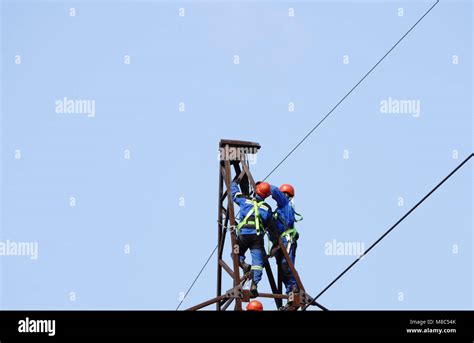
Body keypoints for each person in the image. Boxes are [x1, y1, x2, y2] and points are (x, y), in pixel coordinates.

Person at [232, 180, 273, 297]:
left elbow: (234, 194)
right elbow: (270, 225)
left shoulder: (245, 200)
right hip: (257, 237)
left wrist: (234, 183)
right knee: (258, 263)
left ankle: (243, 264)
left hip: (244, 235)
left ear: (256, 190)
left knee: (235, 254)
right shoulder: (267, 208)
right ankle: (254, 284)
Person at [268, 183, 301, 295]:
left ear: (286, 195)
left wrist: (265, 186)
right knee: (282, 269)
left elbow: (275, 191)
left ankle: (293, 287)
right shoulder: (279, 210)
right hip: (279, 242)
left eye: (283, 194)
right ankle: (290, 290)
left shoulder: (285, 203)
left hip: (287, 240)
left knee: (286, 265)